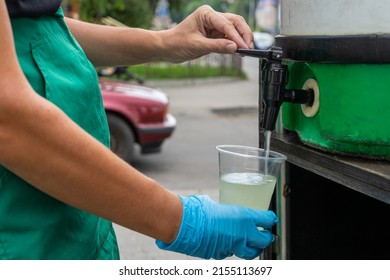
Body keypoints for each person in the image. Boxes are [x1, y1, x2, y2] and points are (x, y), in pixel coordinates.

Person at [0, 1, 278, 260]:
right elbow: (8, 119)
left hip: (75, 231)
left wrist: (165, 41)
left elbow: (43, 28)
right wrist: (182, 220)